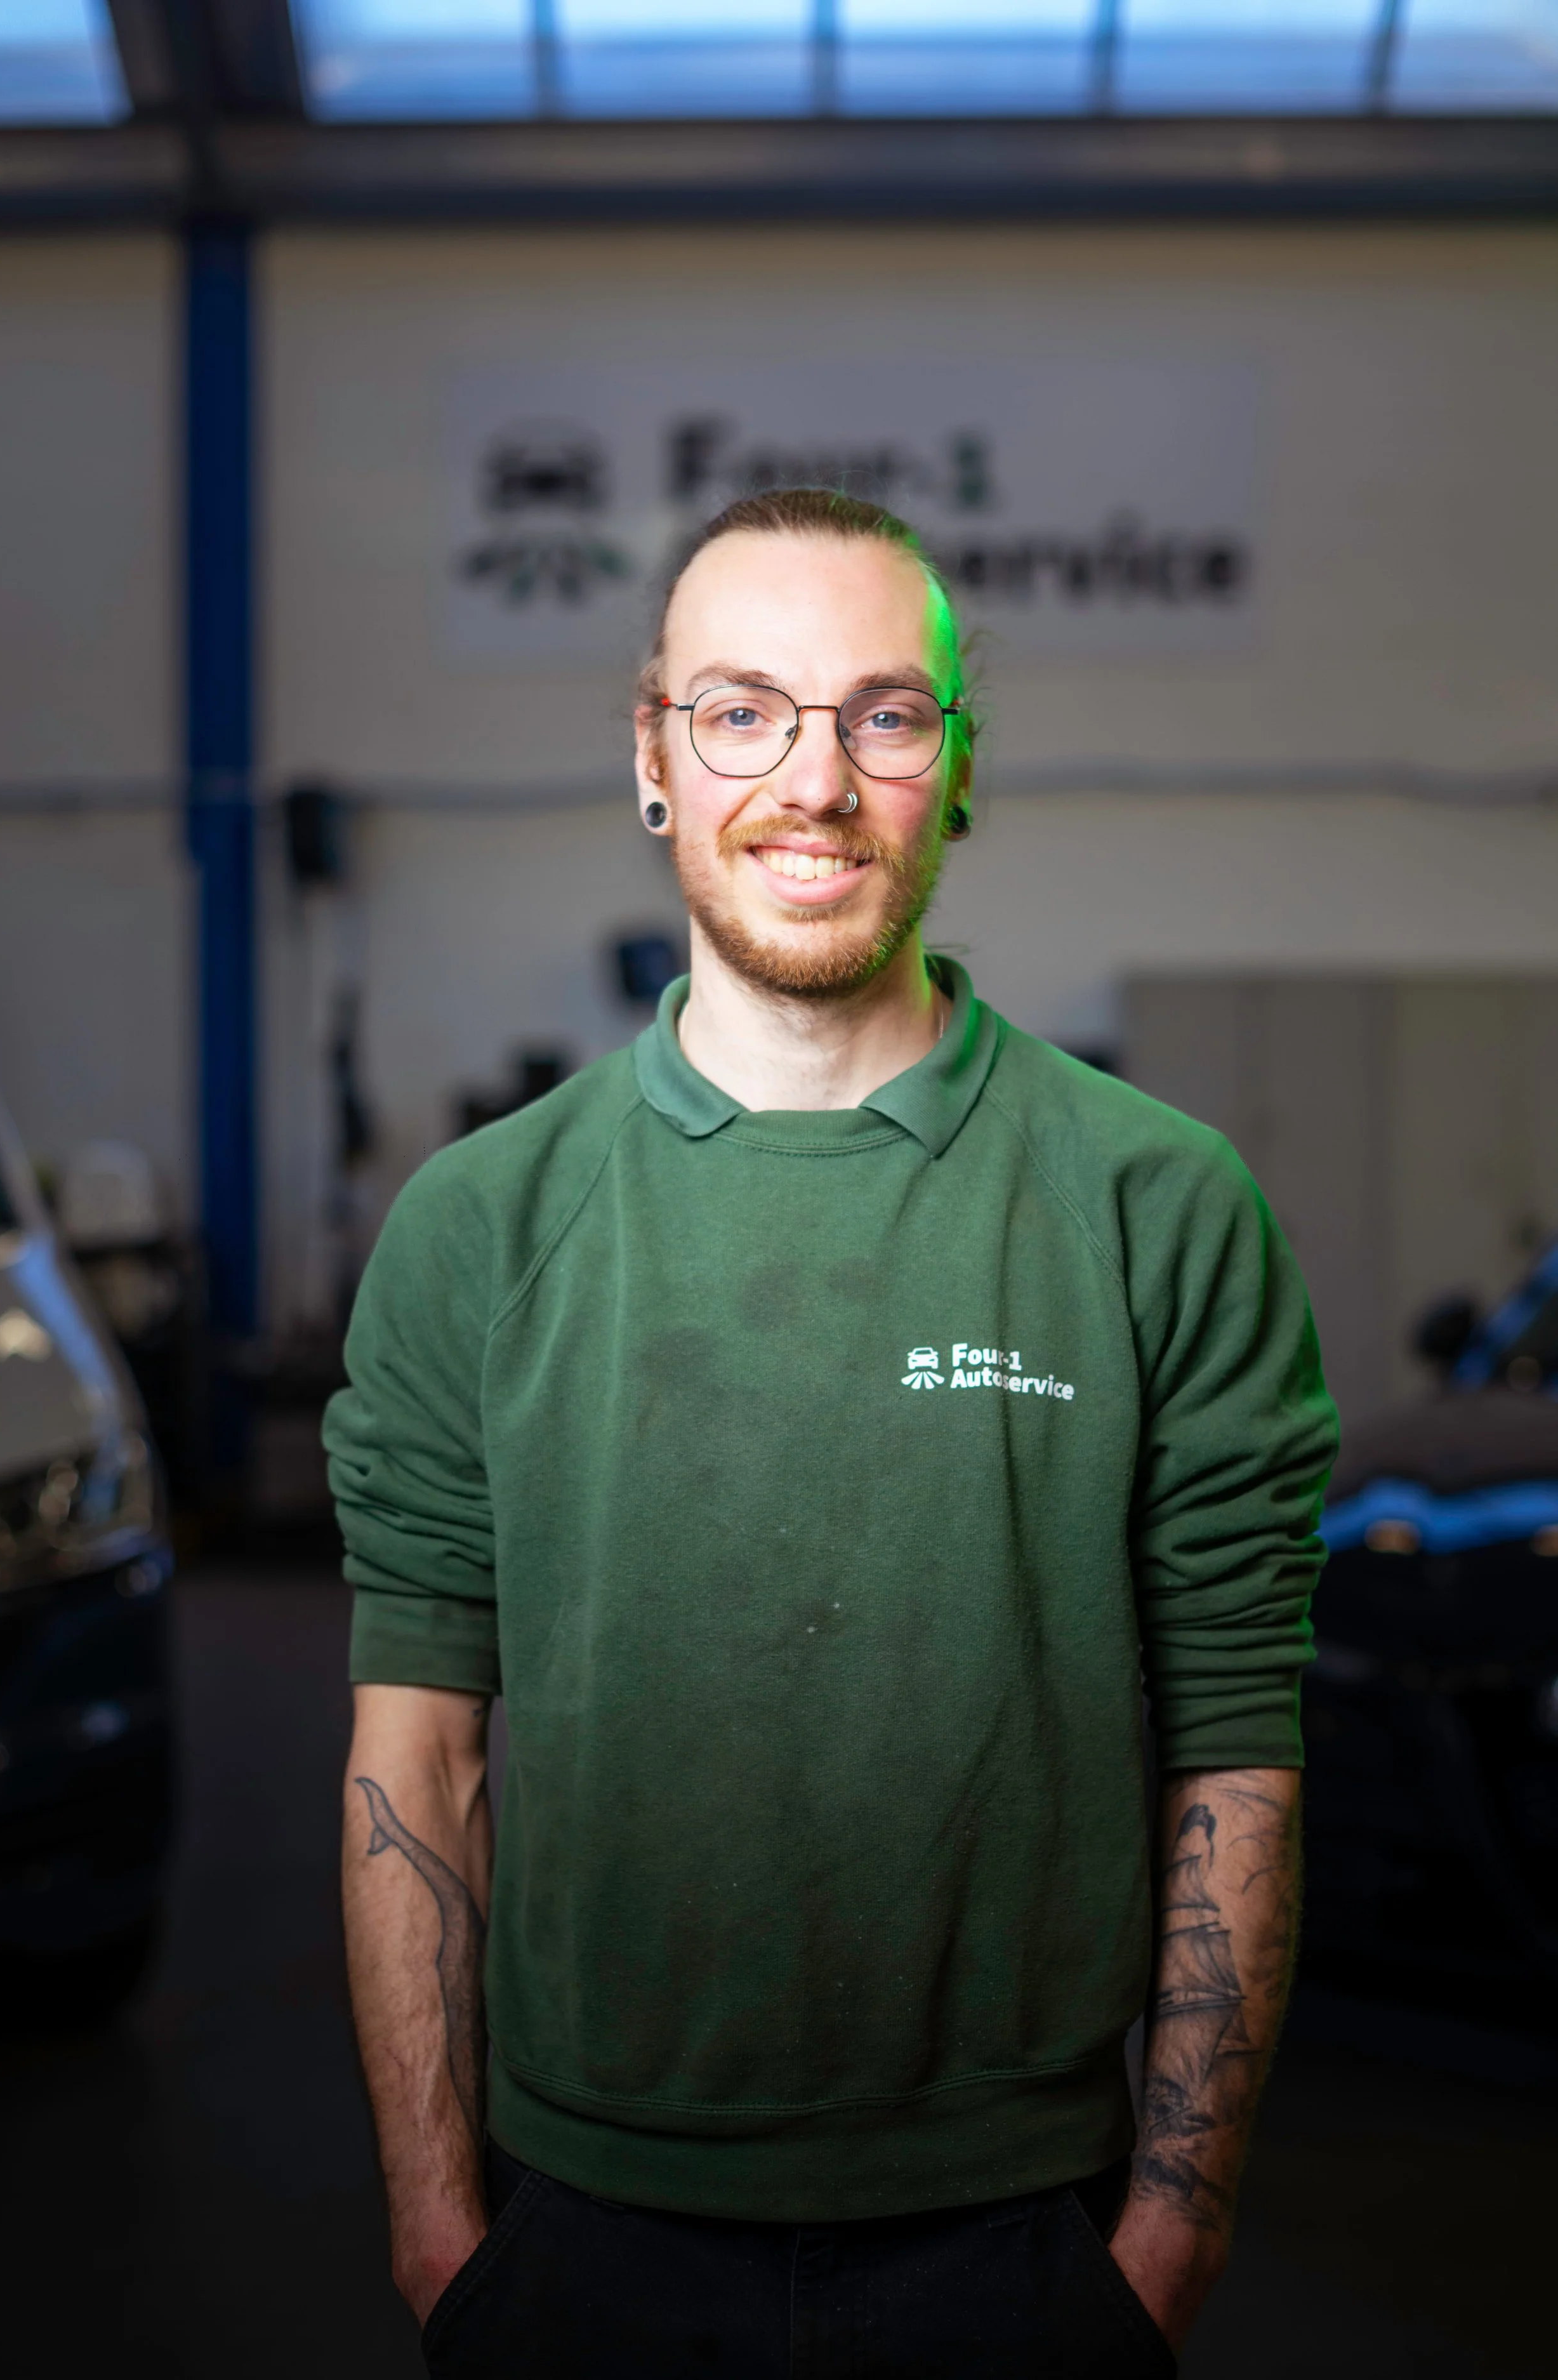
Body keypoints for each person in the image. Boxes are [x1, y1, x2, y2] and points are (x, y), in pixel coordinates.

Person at [326, 486, 1338, 2377]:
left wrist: (1166, 2241)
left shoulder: (1157, 1204)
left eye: (882, 712)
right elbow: (420, 1747)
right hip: (573, 2235)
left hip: (1022, 2243)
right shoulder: (481, 1225)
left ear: (956, 771)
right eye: (741, 710)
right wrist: (437, 2225)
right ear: (653, 757)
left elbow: (1235, 1747)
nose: (813, 777)